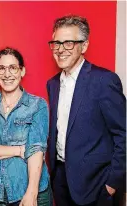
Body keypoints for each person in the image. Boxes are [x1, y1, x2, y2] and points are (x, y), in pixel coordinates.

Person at [46, 15, 126, 206]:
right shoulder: (53, 84)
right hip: (61, 182)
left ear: (84, 46)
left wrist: (112, 183)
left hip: (97, 186)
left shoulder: (104, 81)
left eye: (69, 43)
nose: (60, 49)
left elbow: (124, 133)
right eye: (56, 43)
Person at [0, 47, 52, 206]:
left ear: (22, 71)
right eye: (2, 68)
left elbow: (36, 150)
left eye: (13, 68)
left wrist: (31, 193)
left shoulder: (37, 105)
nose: (7, 74)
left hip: (31, 191)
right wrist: (20, 150)